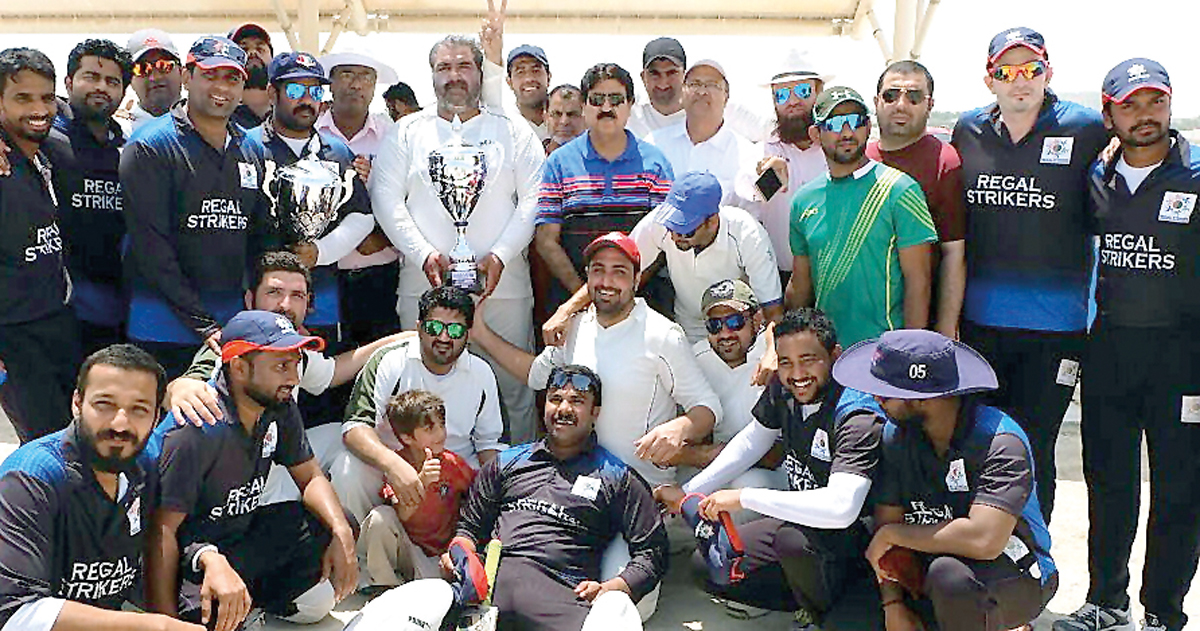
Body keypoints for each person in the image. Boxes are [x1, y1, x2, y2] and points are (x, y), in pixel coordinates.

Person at [1055, 59, 1200, 631]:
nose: (1145, 115)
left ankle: (1163, 612)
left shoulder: (1195, 176)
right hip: (1111, 351)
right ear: (1109, 110)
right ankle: (1106, 603)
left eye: (1155, 102)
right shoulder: (1097, 176)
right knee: (1109, 483)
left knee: (1180, 490)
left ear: (1169, 104)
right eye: (1131, 104)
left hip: (1183, 358)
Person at [951, 27, 1108, 522]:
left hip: (1056, 331)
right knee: (982, 442)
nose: (1020, 81)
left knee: (1034, 449)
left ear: (1048, 73)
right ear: (989, 79)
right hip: (981, 326)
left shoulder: (1085, 129)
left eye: (1031, 70)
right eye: (1006, 72)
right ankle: (987, 557)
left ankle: (1034, 560)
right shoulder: (967, 130)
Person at [656, 308, 886, 628]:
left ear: (835, 356)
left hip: (859, 539)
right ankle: (811, 601)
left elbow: (842, 508)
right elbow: (754, 439)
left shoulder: (856, 415)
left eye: (809, 359)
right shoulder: (786, 385)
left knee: (794, 542)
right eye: (786, 362)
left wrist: (745, 498)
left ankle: (836, 610)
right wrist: (691, 491)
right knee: (711, 565)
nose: (797, 373)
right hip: (808, 523)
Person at [371, 34, 544, 444]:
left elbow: (535, 199)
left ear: (480, 73)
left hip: (502, 291)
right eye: (443, 68)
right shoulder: (406, 133)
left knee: (513, 393)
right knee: (421, 398)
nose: (454, 77)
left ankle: (518, 482)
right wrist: (424, 253)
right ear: (431, 75)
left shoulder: (513, 132)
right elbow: (386, 200)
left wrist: (500, 255)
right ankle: (428, 491)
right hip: (423, 287)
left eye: (463, 66)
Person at [145, 310, 358, 628]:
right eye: (281, 365)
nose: (294, 378)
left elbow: (311, 476)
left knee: (337, 524)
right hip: (190, 557)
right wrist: (165, 624)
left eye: (296, 363)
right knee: (208, 611)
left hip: (238, 536)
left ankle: (250, 606)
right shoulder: (197, 427)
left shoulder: (278, 405)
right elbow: (161, 532)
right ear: (240, 367)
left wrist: (342, 534)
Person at [833, 329, 1057, 631]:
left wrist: (893, 535)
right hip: (933, 562)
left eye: (884, 393)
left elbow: (985, 540)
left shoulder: (1000, 441)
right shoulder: (896, 435)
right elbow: (886, 527)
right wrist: (893, 604)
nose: (875, 399)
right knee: (846, 619)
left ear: (923, 398)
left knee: (949, 576)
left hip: (1013, 569)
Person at [472, 232, 721, 489]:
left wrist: (681, 428)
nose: (606, 281)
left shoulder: (663, 334)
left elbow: (707, 407)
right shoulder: (575, 326)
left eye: (619, 272)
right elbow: (536, 375)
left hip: (640, 487)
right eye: (598, 270)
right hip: (578, 482)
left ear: (637, 280)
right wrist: (480, 333)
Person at [162, 251, 412, 505]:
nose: (285, 305)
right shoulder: (233, 343)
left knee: (351, 439)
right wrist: (177, 387)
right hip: (229, 488)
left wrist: (401, 339)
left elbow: (332, 372)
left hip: (279, 461)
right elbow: (187, 385)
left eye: (297, 296)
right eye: (274, 293)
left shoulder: (295, 347)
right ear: (250, 299)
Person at [0, 345, 206, 631]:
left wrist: (207, 555)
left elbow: (173, 524)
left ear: (155, 417)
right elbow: (14, 613)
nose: (120, 423)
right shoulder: (33, 477)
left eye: (139, 409)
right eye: (104, 404)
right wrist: (154, 626)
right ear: (77, 403)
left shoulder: (145, 458)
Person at [453, 364, 667, 630]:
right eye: (555, 399)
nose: (563, 409)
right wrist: (460, 552)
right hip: (485, 605)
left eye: (577, 401)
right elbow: (468, 529)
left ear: (595, 413)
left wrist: (613, 588)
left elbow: (653, 551)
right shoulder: (506, 463)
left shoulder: (618, 478)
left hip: (565, 607)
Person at [120, 35, 277, 379]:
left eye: (232, 78)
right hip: (162, 327)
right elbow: (151, 248)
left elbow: (257, 235)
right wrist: (203, 325)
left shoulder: (250, 148)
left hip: (230, 325)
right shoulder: (150, 146)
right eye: (210, 74)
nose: (221, 87)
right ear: (188, 78)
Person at [332, 286, 504, 523]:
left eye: (454, 329)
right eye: (434, 327)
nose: (444, 338)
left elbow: (488, 444)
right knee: (347, 468)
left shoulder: (482, 373)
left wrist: (492, 492)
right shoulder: (390, 360)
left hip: (455, 471)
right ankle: (355, 551)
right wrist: (394, 465)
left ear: (468, 333)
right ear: (418, 327)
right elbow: (355, 428)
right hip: (389, 463)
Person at [548, 171, 783, 344]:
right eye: (672, 226)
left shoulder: (747, 233)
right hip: (688, 331)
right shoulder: (660, 222)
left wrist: (771, 353)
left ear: (712, 220)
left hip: (739, 331)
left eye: (686, 229)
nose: (675, 235)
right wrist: (565, 311)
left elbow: (773, 312)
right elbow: (615, 269)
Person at [786, 86, 937, 346]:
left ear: (868, 128)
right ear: (816, 134)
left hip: (884, 352)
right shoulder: (803, 200)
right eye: (833, 123)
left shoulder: (900, 190)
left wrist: (910, 352)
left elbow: (919, 281)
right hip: (827, 354)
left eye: (855, 121)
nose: (846, 132)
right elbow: (800, 285)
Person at [246, 52, 374, 340]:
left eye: (315, 91)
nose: (306, 99)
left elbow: (361, 216)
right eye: (294, 90)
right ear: (271, 92)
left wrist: (321, 252)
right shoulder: (245, 146)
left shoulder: (337, 152)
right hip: (259, 305)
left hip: (322, 306)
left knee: (320, 382)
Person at [534, 62, 673, 309]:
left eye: (616, 99)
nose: (606, 107)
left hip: (641, 301)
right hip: (571, 301)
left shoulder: (656, 163)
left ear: (630, 105)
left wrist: (624, 292)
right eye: (597, 99)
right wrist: (584, 297)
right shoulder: (559, 163)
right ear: (584, 106)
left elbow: (664, 241)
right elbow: (546, 241)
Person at [0, 47, 80, 442]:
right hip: (15, 340)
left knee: (76, 441)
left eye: (46, 97)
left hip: (58, 324)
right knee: (48, 453)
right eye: (22, 98)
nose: (39, 108)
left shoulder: (45, 155)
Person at [867, 61, 966, 338]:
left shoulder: (945, 162)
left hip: (918, 324)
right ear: (876, 102)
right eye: (890, 95)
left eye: (913, 97)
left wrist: (946, 328)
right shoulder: (859, 159)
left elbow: (953, 253)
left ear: (929, 104)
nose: (901, 105)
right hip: (860, 324)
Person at [47, 39, 132, 356]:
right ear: (69, 82)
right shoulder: (46, 138)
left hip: (119, 310)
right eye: (91, 77)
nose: (102, 87)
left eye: (112, 81)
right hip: (61, 309)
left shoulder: (129, 147)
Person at [317, 45, 404, 346]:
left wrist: (383, 238)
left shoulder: (395, 135)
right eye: (346, 74)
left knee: (378, 366)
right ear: (330, 82)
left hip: (380, 275)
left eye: (365, 76)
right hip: (323, 276)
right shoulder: (310, 132)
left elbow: (413, 200)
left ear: (375, 85)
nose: (355, 84)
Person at [357, 390, 476, 588]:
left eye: (442, 425)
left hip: (441, 558)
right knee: (380, 517)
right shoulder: (399, 466)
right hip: (409, 551)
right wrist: (421, 483)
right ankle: (385, 587)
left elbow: (475, 501)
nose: (441, 434)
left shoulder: (453, 464)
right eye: (430, 429)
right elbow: (402, 514)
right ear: (407, 437)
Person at [736, 51, 829, 283]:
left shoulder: (836, 149)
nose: (793, 101)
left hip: (832, 277)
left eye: (803, 91)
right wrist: (771, 178)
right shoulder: (764, 151)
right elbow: (746, 195)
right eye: (782, 94)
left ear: (819, 94)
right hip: (780, 279)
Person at [682, 280, 780, 483]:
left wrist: (773, 349)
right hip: (716, 462)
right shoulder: (695, 358)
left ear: (756, 319)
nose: (725, 334)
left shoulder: (776, 352)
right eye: (714, 325)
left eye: (735, 322)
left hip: (770, 467)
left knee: (749, 483)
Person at [648, 59, 756, 206]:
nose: (702, 92)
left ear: (726, 96)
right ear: (682, 93)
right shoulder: (654, 145)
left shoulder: (747, 155)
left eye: (712, 85)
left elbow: (750, 217)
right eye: (694, 84)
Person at [122, 29, 184, 132]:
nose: (155, 77)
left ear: (182, 72)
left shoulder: (209, 126)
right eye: (142, 69)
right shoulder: (123, 135)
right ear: (130, 79)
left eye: (164, 66)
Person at [227, 23, 273, 129]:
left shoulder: (287, 113)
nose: (252, 53)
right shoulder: (219, 116)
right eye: (243, 49)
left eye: (260, 48)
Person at [544, 84, 585, 154]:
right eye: (557, 114)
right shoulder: (532, 154)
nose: (564, 121)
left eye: (572, 114)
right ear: (545, 118)